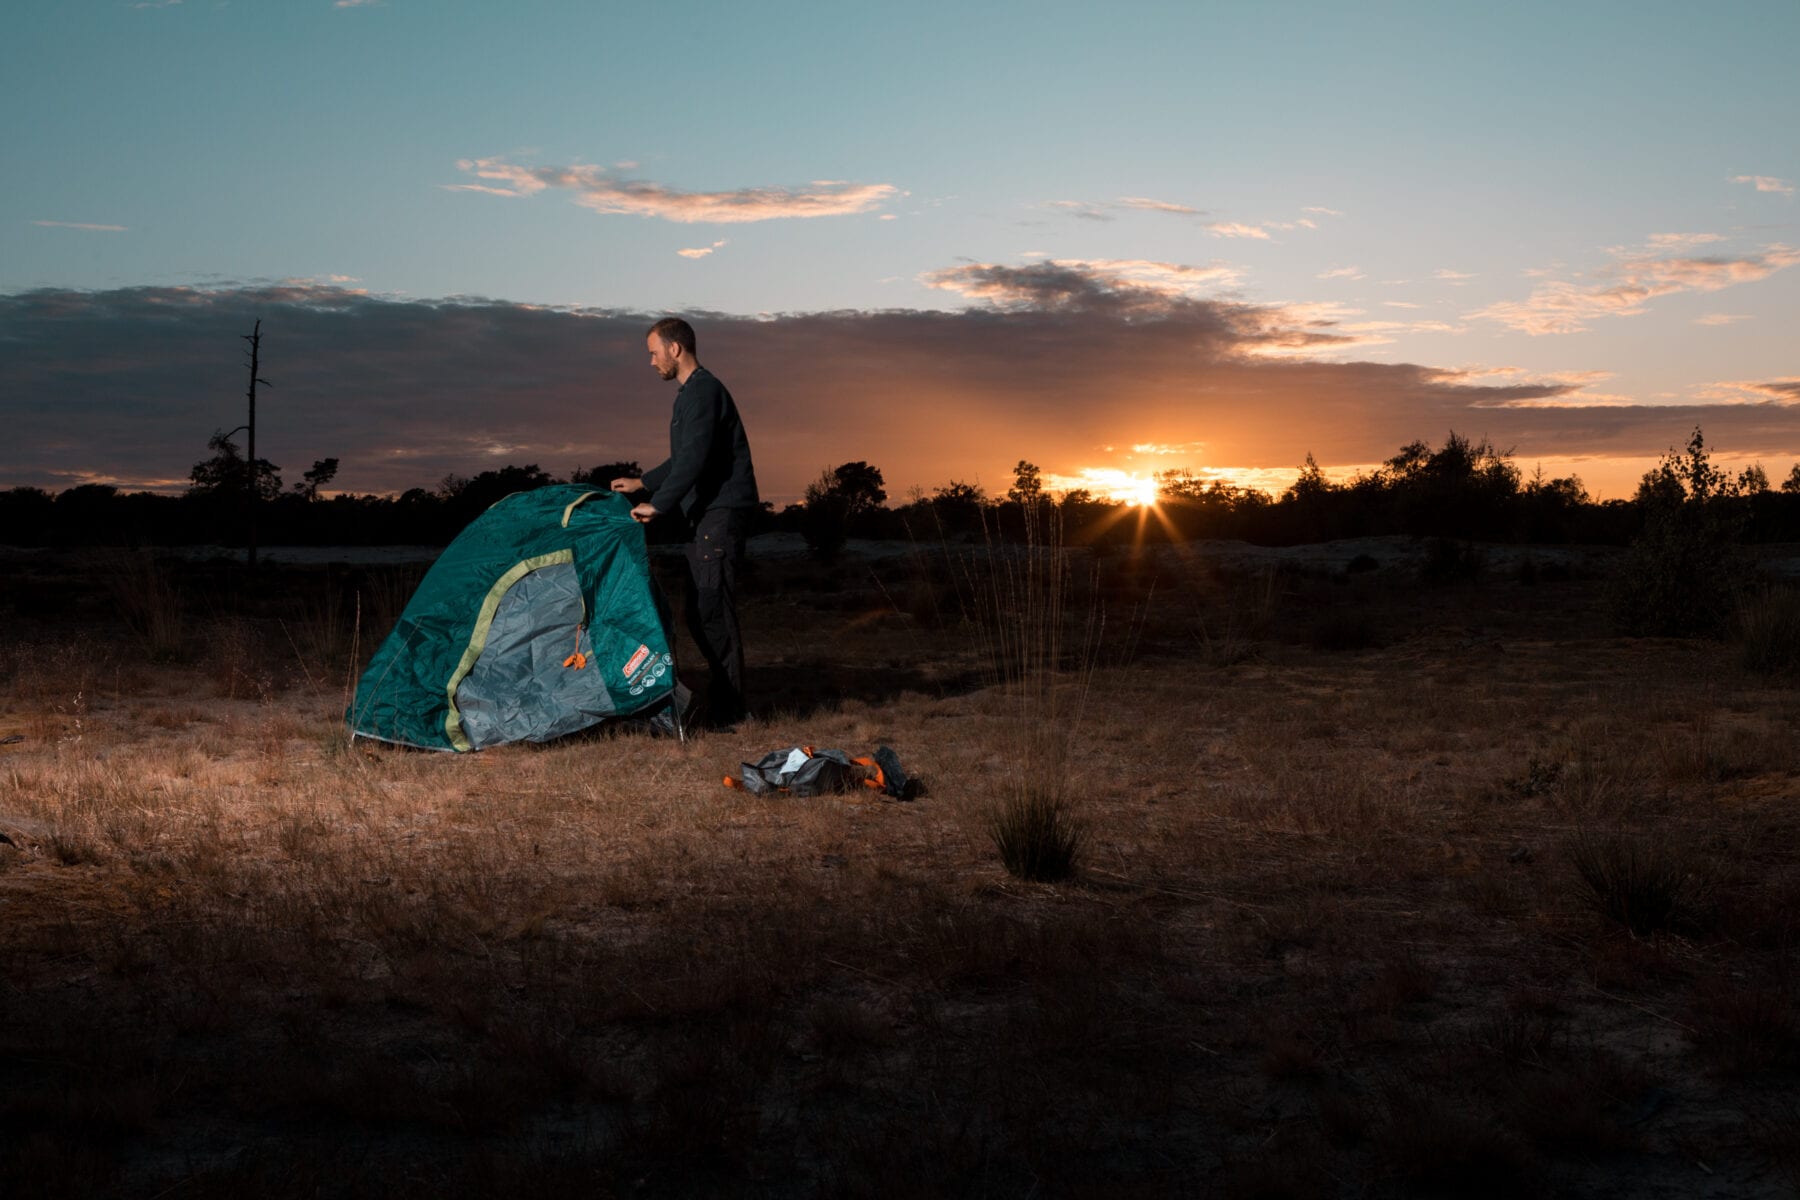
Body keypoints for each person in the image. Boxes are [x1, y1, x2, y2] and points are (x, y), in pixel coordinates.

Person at [611, 317, 759, 728]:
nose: (651, 361)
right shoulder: (691, 396)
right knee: (699, 612)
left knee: (713, 611)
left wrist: (657, 506)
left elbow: (694, 460)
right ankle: (726, 700)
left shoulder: (704, 391)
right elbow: (684, 458)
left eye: (653, 352)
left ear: (675, 349)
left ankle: (733, 711)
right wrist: (643, 482)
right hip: (705, 517)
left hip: (719, 514)